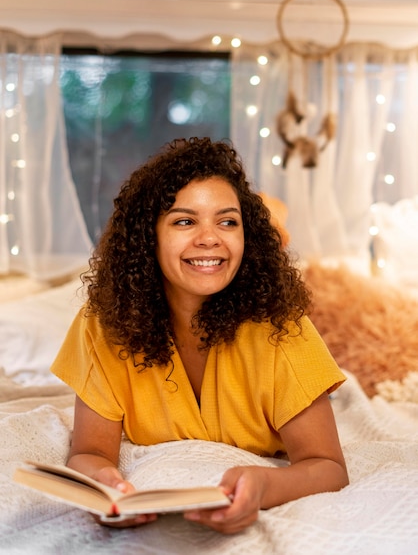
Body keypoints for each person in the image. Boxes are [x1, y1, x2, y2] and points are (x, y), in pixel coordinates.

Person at [51, 136, 348, 535]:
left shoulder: (282, 329)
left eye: (228, 221)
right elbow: (88, 452)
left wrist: (264, 485)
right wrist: (100, 484)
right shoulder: (103, 325)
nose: (210, 238)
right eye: (185, 221)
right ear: (148, 237)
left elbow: (328, 468)